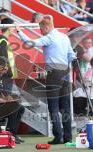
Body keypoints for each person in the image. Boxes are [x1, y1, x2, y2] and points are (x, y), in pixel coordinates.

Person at [16, 15, 76, 144]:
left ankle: (58, 136)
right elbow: (71, 55)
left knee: (53, 107)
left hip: (53, 74)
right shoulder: (64, 37)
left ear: (46, 27)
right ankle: (68, 137)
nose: (40, 32)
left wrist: (19, 31)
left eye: (41, 29)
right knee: (65, 107)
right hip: (65, 72)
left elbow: (30, 43)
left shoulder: (50, 38)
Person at [0, 18, 17, 96]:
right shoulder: (3, 41)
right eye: (13, 27)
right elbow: (3, 59)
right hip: (5, 76)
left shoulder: (2, 41)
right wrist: (9, 73)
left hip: (5, 75)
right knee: (6, 100)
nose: (14, 29)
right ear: (9, 27)